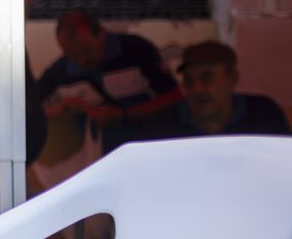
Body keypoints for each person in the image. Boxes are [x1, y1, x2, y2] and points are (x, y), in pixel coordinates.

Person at [36, 10, 179, 167]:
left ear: (101, 35)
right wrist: (60, 109)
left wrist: (124, 115)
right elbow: (29, 108)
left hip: (151, 149)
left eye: (87, 52)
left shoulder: (136, 49)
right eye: (72, 57)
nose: (82, 62)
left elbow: (174, 95)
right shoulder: (60, 71)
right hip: (101, 161)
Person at [135, 40, 290, 140]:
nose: (197, 89)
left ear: (233, 79)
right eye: (189, 80)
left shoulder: (262, 114)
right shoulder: (162, 125)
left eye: (207, 78)